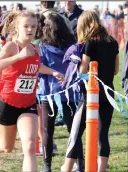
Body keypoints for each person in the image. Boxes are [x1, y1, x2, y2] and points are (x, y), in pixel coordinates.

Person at [0, 11, 64, 172]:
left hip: (28, 104)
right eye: (26, 26)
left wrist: (52, 72)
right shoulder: (11, 46)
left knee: (29, 146)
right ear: (17, 28)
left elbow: (35, 66)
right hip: (7, 104)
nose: (30, 29)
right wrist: (18, 56)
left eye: (33, 26)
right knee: (7, 146)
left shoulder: (36, 48)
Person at [62, 10, 119, 172]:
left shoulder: (90, 43)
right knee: (103, 136)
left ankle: (66, 168)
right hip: (108, 94)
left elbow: (84, 69)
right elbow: (115, 70)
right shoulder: (113, 42)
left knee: (76, 132)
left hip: (90, 95)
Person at [37, 12, 82, 172]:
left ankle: (47, 166)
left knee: (47, 131)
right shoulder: (74, 46)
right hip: (71, 93)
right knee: (74, 129)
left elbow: (38, 71)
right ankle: (80, 164)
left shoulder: (41, 48)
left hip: (48, 94)